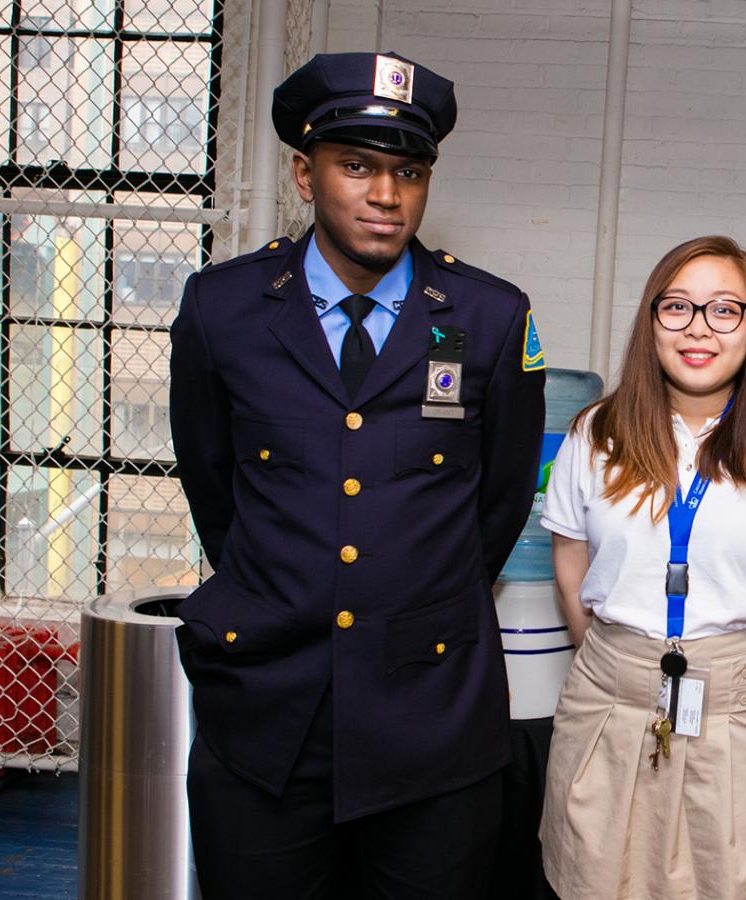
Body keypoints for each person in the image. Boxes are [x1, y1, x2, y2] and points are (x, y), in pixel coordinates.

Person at [169, 51, 545, 899]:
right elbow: (214, 488)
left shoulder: (488, 318)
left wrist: (406, 600)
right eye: (357, 166)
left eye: (409, 171)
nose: (386, 194)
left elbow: (498, 503)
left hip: (431, 718)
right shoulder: (222, 310)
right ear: (305, 174)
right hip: (268, 712)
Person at [538, 236, 746, 900]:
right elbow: (570, 556)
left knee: (740, 882)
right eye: (678, 308)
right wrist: (613, 662)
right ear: (651, 321)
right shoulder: (597, 433)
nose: (699, 328)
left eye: (726, 309)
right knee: (597, 877)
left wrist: (744, 681)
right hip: (611, 699)